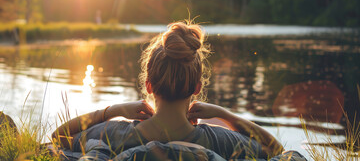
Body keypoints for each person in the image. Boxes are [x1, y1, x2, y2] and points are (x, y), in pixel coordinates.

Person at [52, 21, 284, 159]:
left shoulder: (115, 134)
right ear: (196, 88)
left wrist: (111, 110)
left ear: (148, 85)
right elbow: (275, 150)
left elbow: (58, 138)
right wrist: (224, 114)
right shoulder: (219, 139)